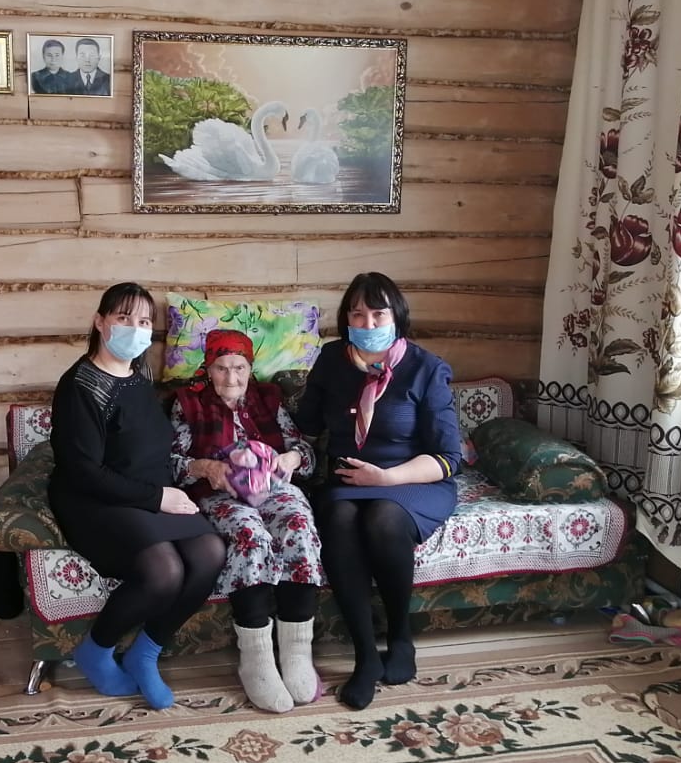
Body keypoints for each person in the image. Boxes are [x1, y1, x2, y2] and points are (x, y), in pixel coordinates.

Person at [48, 282, 225, 710]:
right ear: (100, 322)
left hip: (147, 489)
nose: (135, 328)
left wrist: (177, 483)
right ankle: (96, 650)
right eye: (123, 317)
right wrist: (158, 499)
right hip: (94, 498)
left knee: (210, 553)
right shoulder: (80, 386)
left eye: (144, 321)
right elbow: (85, 471)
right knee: (163, 570)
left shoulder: (140, 373)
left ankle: (146, 653)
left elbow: (146, 445)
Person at [295, 272, 463, 710]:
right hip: (349, 481)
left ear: (397, 316)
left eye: (378, 314)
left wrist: (387, 479)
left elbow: (450, 456)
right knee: (338, 517)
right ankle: (366, 655)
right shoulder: (331, 360)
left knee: (383, 518)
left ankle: (401, 637)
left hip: (413, 481)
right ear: (346, 319)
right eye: (357, 314)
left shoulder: (426, 368)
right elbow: (304, 426)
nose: (368, 323)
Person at [170, 329, 324, 713]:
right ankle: (256, 660)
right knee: (250, 535)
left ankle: (296, 652)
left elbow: (303, 451)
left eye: (239, 367)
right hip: (219, 492)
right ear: (208, 369)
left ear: (250, 368)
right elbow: (171, 463)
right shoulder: (188, 403)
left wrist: (290, 459)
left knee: (298, 524)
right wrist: (205, 467)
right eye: (221, 368)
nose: (231, 377)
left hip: (273, 486)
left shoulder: (268, 399)